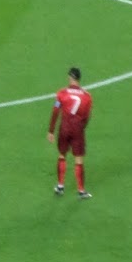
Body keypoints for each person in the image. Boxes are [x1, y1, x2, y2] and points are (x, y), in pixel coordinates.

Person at [47, 67, 93, 199]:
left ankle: (60, 186)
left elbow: (55, 111)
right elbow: (87, 116)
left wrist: (51, 131)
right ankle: (81, 191)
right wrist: (81, 128)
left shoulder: (62, 94)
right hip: (78, 129)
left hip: (64, 128)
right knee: (79, 159)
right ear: (79, 78)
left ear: (70, 77)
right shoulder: (87, 96)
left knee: (62, 155)